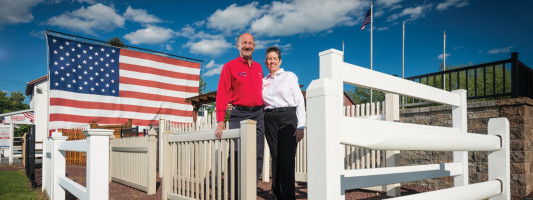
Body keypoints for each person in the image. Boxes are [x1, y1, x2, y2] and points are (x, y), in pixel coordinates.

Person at [214, 33, 265, 182]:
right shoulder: (229, 66)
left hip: (259, 115)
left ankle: (250, 188)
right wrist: (221, 121)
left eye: (250, 43)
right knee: (236, 153)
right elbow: (222, 94)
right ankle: (234, 191)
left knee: (258, 153)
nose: (247, 46)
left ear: (254, 46)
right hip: (238, 114)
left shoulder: (259, 67)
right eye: (244, 43)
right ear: (238, 45)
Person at [262, 46, 306, 200]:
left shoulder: (289, 76)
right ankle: (276, 195)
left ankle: (288, 197)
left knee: (286, 158)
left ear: (280, 61)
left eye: (275, 58)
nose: (272, 61)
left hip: (288, 117)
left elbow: (299, 101)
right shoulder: (263, 81)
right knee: (275, 157)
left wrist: (300, 126)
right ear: (266, 62)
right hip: (269, 118)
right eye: (269, 58)